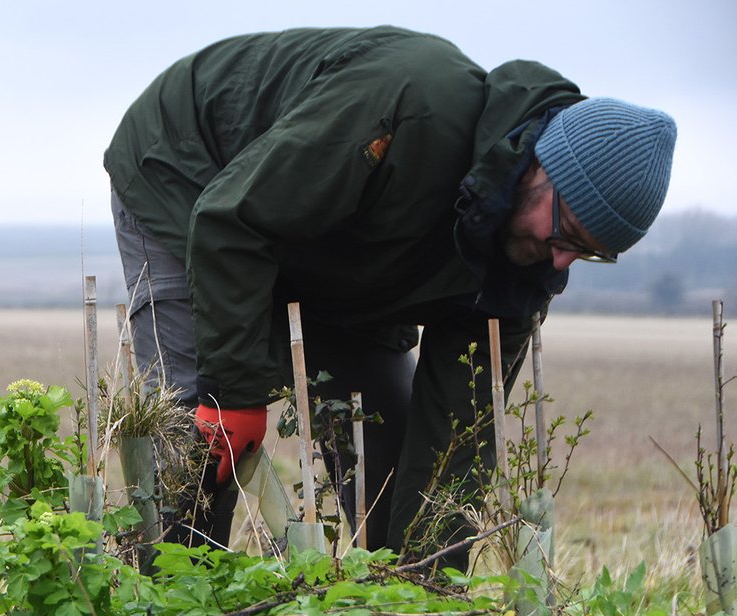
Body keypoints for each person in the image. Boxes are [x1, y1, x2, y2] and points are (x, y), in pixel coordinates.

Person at [103, 26, 676, 569]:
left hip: (339, 257)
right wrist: (233, 393)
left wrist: (431, 586)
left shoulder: (521, 268)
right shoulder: (409, 106)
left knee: (391, 462)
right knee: (203, 434)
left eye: (588, 254)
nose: (561, 262)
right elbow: (233, 222)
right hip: (191, 174)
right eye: (567, 233)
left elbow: (456, 444)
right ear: (540, 166)